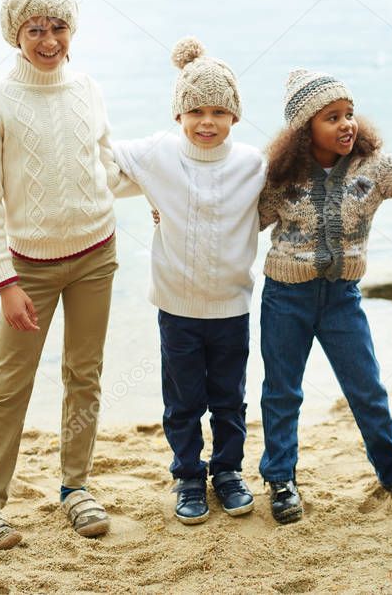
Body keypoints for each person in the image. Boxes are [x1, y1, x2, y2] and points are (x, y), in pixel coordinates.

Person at [0, 0, 134, 549]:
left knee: (84, 377)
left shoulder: (89, 88)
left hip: (97, 254)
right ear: (14, 32)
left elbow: (108, 166)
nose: (48, 39)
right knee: (11, 385)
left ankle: (75, 487)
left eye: (58, 26)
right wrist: (4, 281)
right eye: (34, 27)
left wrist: (170, 189)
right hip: (29, 269)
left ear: (73, 30)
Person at [257, 68, 392, 524]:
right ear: (305, 131)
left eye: (349, 114)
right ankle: (281, 479)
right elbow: (234, 217)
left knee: (367, 388)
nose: (346, 125)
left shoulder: (372, 170)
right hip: (286, 297)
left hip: (342, 297)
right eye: (332, 117)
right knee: (283, 392)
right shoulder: (280, 176)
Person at [109, 37, 264, 525]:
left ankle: (228, 472)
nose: (206, 122)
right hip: (176, 308)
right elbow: (103, 157)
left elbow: (290, 195)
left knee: (229, 399)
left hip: (232, 308)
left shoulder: (253, 164)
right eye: (195, 109)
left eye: (219, 111)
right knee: (181, 403)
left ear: (235, 116)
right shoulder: (158, 154)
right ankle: (189, 476)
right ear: (178, 114)